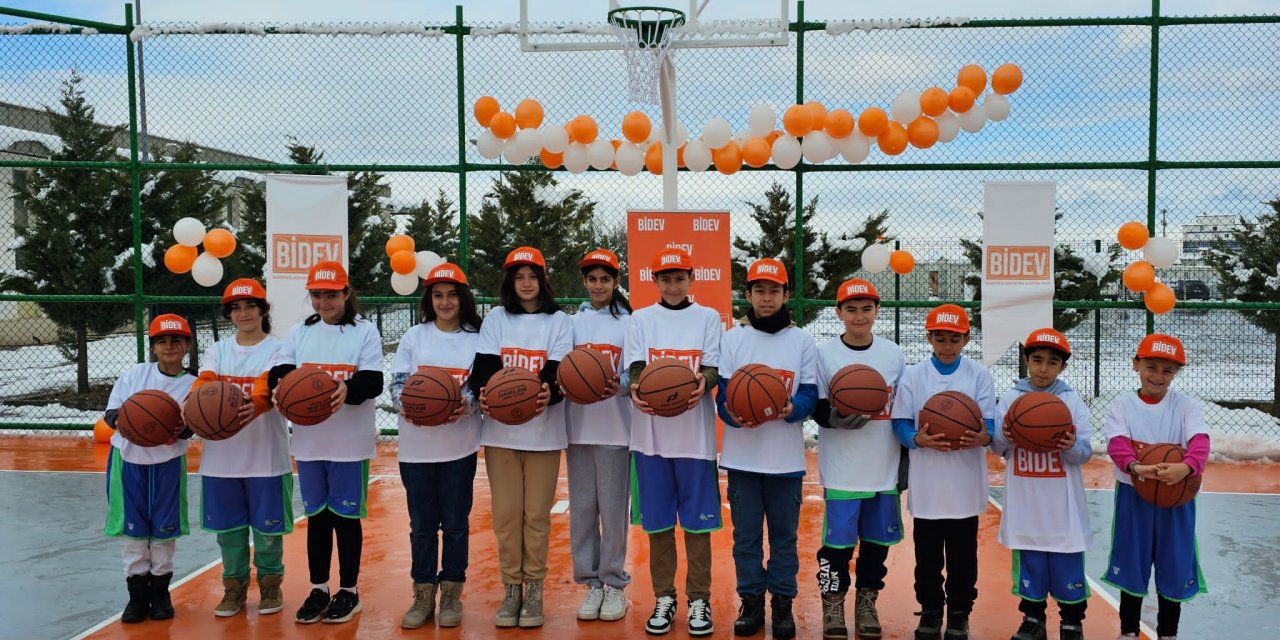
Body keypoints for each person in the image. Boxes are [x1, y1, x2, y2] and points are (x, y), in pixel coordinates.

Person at [268, 261, 384, 625]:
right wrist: (286, 390)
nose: (323, 302)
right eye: (316, 295)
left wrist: (346, 389)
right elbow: (280, 370)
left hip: (349, 443)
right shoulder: (301, 331)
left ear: (346, 293)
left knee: (346, 518)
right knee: (317, 518)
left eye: (331, 295)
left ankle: (349, 591)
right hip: (309, 441)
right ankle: (319, 587)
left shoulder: (365, 332)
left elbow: (373, 381)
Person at [467, 246, 573, 629]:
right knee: (508, 516)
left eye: (532, 275)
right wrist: (485, 392)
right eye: (518, 276)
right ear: (510, 282)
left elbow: (560, 372)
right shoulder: (497, 318)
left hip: (544, 433)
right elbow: (484, 369)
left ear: (542, 280)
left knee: (536, 517)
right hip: (500, 433)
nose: (526, 283)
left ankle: (535, 589)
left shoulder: (560, 321)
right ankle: (512, 586)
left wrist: (548, 391)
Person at [716, 258, 817, 640]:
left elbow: (809, 393)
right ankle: (752, 601)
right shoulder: (733, 339)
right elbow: (722, 395)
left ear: (786, 294)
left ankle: (783, 604)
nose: (767, 297)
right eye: (760, 290)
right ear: (748, 295)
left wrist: (794, 411)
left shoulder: (802, 341)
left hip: (785, 461)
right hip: (742, 458)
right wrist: (731, 413)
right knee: (745, 538)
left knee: (784, 538)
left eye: (774, 290)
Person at [624, 247, 723, 637]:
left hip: (695, 440)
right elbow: (635, 366)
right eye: (666, 279)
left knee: (698, 528)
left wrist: (704, 383)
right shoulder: (641, 319)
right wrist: (637, 387)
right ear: (656, 282)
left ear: (691, 279)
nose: (673, 285)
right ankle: (664, 597)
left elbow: (713, 366)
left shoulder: (707, 318)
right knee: (658, 525)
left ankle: (699, 597)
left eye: (679, 278)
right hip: (650, 439)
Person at [889, 304, 996, 640]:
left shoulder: (978, 375)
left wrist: (983, 436)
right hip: (928, 485)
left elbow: (989, 423)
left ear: (966, 338)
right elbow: (900, 422)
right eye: (940, 338)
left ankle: (960, 612)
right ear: (929, 337)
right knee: (928, 558)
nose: (947, 345)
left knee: (964, 558)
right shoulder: (914, 375)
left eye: (954, 338)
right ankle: (932, 610)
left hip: (965, 485)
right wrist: (916, 439)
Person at [811, 279, 907, 640]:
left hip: (883, 467)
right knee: (836, 546)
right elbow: (817, 404)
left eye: (866, 308)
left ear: (876, 311)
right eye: (851, 309)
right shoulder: (824, 354)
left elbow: (902, 409)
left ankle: (867, 602)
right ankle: (832, 603)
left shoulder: (892, 354)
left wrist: (906, 459)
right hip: (843, 468)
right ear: (838, 313)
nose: (859, 315)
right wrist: (830, 417)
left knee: (875, 546)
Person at [389, 262, 483, 629]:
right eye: (438, 295)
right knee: (422, 526)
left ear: (463, 298)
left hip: (459, 447)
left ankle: (452, 595)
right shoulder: (415, 336)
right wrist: (409, 408)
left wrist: (467, 403)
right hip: (416, 448)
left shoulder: (477, 338)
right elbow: (397, 384)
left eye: (452, 295)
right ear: (430, 299)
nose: (445, 302)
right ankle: (422, 594)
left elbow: (480, 384)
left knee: (457, 524)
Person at [194, 279, 291, 618]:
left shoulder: (279, 348)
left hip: (266, 458)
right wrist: (196, 405)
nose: (243, 312)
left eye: (251, 305)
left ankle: (269, 584)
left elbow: (270, 382)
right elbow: (204, 384)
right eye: (236, 307)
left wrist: (260, 402)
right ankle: (233, 587)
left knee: (267, 533)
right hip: (221, 461)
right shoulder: (217, 351)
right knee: (229, 534)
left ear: (263, 310)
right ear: (229, 314)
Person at [1102, 333, 1209, 640]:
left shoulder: (1187, 406)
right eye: (1151, 367)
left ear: (1176, 373)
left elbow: (1200, 441)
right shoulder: (1122, 405)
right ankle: (1128, 631)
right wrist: (1136, 467)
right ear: (1136, 365)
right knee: (1132, 563)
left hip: (1176, 499)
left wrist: (1186, 467)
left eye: (1167, 370)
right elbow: (1117, 443)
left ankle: (1168, 633)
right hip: (1133, 495)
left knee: (1174, 565)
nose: (1158, 376)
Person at [991, 329, 1093, 640]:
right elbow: (997, 447)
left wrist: (1070, 446)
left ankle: (1071, 622)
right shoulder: (1011, 399)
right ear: (1025, 361)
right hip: (1025, 502)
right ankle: (1033, 620)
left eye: (1052, 362)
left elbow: (1084, 453)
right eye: (1037, 360)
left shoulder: (1071, 401)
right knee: (1030, 564)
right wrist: (1007, 436)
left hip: (1063, 506)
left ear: (1062, 366)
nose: (1043, 368)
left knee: (1067, 564)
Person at [103, 313, 197, 623]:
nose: (169, 346)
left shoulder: (193, 385)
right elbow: (111, 414)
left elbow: (191, 428)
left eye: (176, 340)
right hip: (128, 462)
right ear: (153, 346)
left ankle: (160, 594)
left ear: (187, 345)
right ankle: (136, 597)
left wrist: (176, 429)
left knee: (163, 531)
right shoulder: (135, 375)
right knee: (134, 532)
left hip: (167, 464)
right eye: (161, 341)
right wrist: (128, 424)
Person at [565, 248, 633, 623]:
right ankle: (591, 583)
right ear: (584, 282)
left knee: (612, 512)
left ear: (615, 282)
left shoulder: (628, 323)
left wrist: (617, 385)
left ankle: (615, 583)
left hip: (614, 431)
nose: (598, 285)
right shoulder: (571, 323)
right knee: (582, 512)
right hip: (577, 429)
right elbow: (562, 369)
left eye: (605, 279)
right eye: (592, 279)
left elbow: (634, 373)